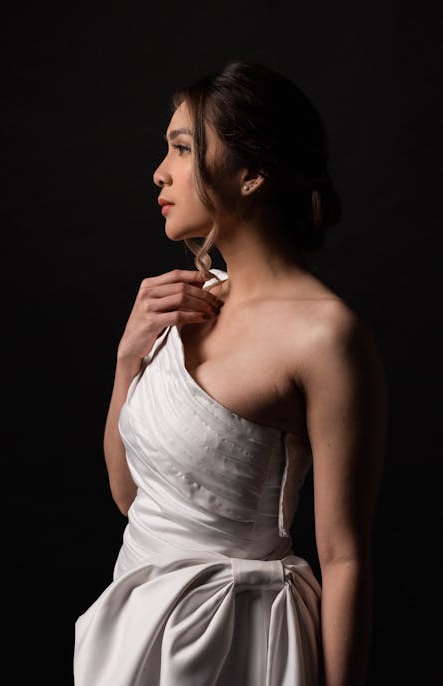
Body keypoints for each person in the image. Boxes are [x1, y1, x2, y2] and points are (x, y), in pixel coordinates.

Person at [73, 61, 388, 686]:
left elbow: (343, 555)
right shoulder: (190, 301)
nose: (160, 172)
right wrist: (126, 360)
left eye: (183, 148)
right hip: (133, 636)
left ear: (252, 174)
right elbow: (133, 499)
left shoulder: (326, 336)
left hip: (238, 645)